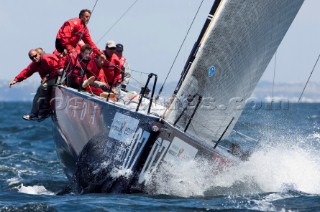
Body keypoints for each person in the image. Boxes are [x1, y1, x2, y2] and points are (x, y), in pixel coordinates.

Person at [9, 49, 59, 121]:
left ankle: (43, 112)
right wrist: (16, 80)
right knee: (39, 93)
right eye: (32, 58)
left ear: (39, 54)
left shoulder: (46, 59)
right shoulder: (34, 64)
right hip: (49, 79)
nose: (34, 58)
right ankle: (34, 114)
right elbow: (26, 72)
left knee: (43, 87)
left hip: (57, 76)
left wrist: (48, 76)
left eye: (35, 56)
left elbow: (58, 68)